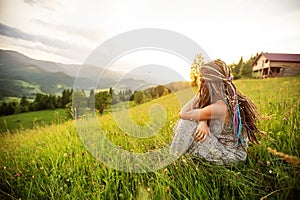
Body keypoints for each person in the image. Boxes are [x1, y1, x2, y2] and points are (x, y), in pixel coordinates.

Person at [170, 59, 262, 165]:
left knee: (187, 122)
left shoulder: (220, 107)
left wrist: (200, 94)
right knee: (192, 124)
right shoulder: (228, 97)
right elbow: (201, 112)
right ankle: (179, 153)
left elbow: (183, 113)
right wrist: (202, 121)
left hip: (231, 156)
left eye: (201, 79)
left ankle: (173, 156)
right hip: (230, 150)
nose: (199, 82)